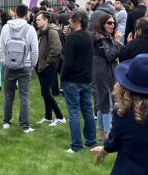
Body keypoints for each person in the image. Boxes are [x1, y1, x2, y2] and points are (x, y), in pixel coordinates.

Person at [0, 4, 39, 133]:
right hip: (25, 65)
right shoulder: (30, 29)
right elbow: (34, 50)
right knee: (24, 96)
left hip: (9, 65)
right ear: (26, 14)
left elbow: (1, 46)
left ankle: (6, 121)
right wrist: (32, 65)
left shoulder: (6, 27)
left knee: (8, 95)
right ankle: (25, 125)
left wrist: (4, 61)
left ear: (15, 13)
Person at [60, 9, 96, 153]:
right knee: (87, 110)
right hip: (86, 78)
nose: (69, 21)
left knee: (74, 111)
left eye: (71, 18)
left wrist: (62, 76)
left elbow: (68, 62)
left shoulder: (72, 38)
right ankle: (91, 141)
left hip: (72, 80)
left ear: (77, 20)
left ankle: (76, 145)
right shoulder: (89, 35)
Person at [91, 12, 123, 141]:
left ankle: (102, 133)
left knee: (102, 103)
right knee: (106, 104)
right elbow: (110, 55)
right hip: (102, 74)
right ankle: (108, 134)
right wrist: (118, 42)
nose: (112, 25)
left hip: (105, 73)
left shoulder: (105, 37)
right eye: (109, 23)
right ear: (102, 24)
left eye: (114, 23)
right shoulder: (100, 38)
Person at [35, 11, 65, 126]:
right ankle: (48, 117)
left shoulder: (52, 32)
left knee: (46, 92)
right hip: (40, 65)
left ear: (46, 20)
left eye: (39, 20)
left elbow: (56, 49)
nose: (37, 22)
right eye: (36, 20)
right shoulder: (40, 32)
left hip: (49, 66)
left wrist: (47, 62)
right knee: (45, 92)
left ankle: (60, 116)